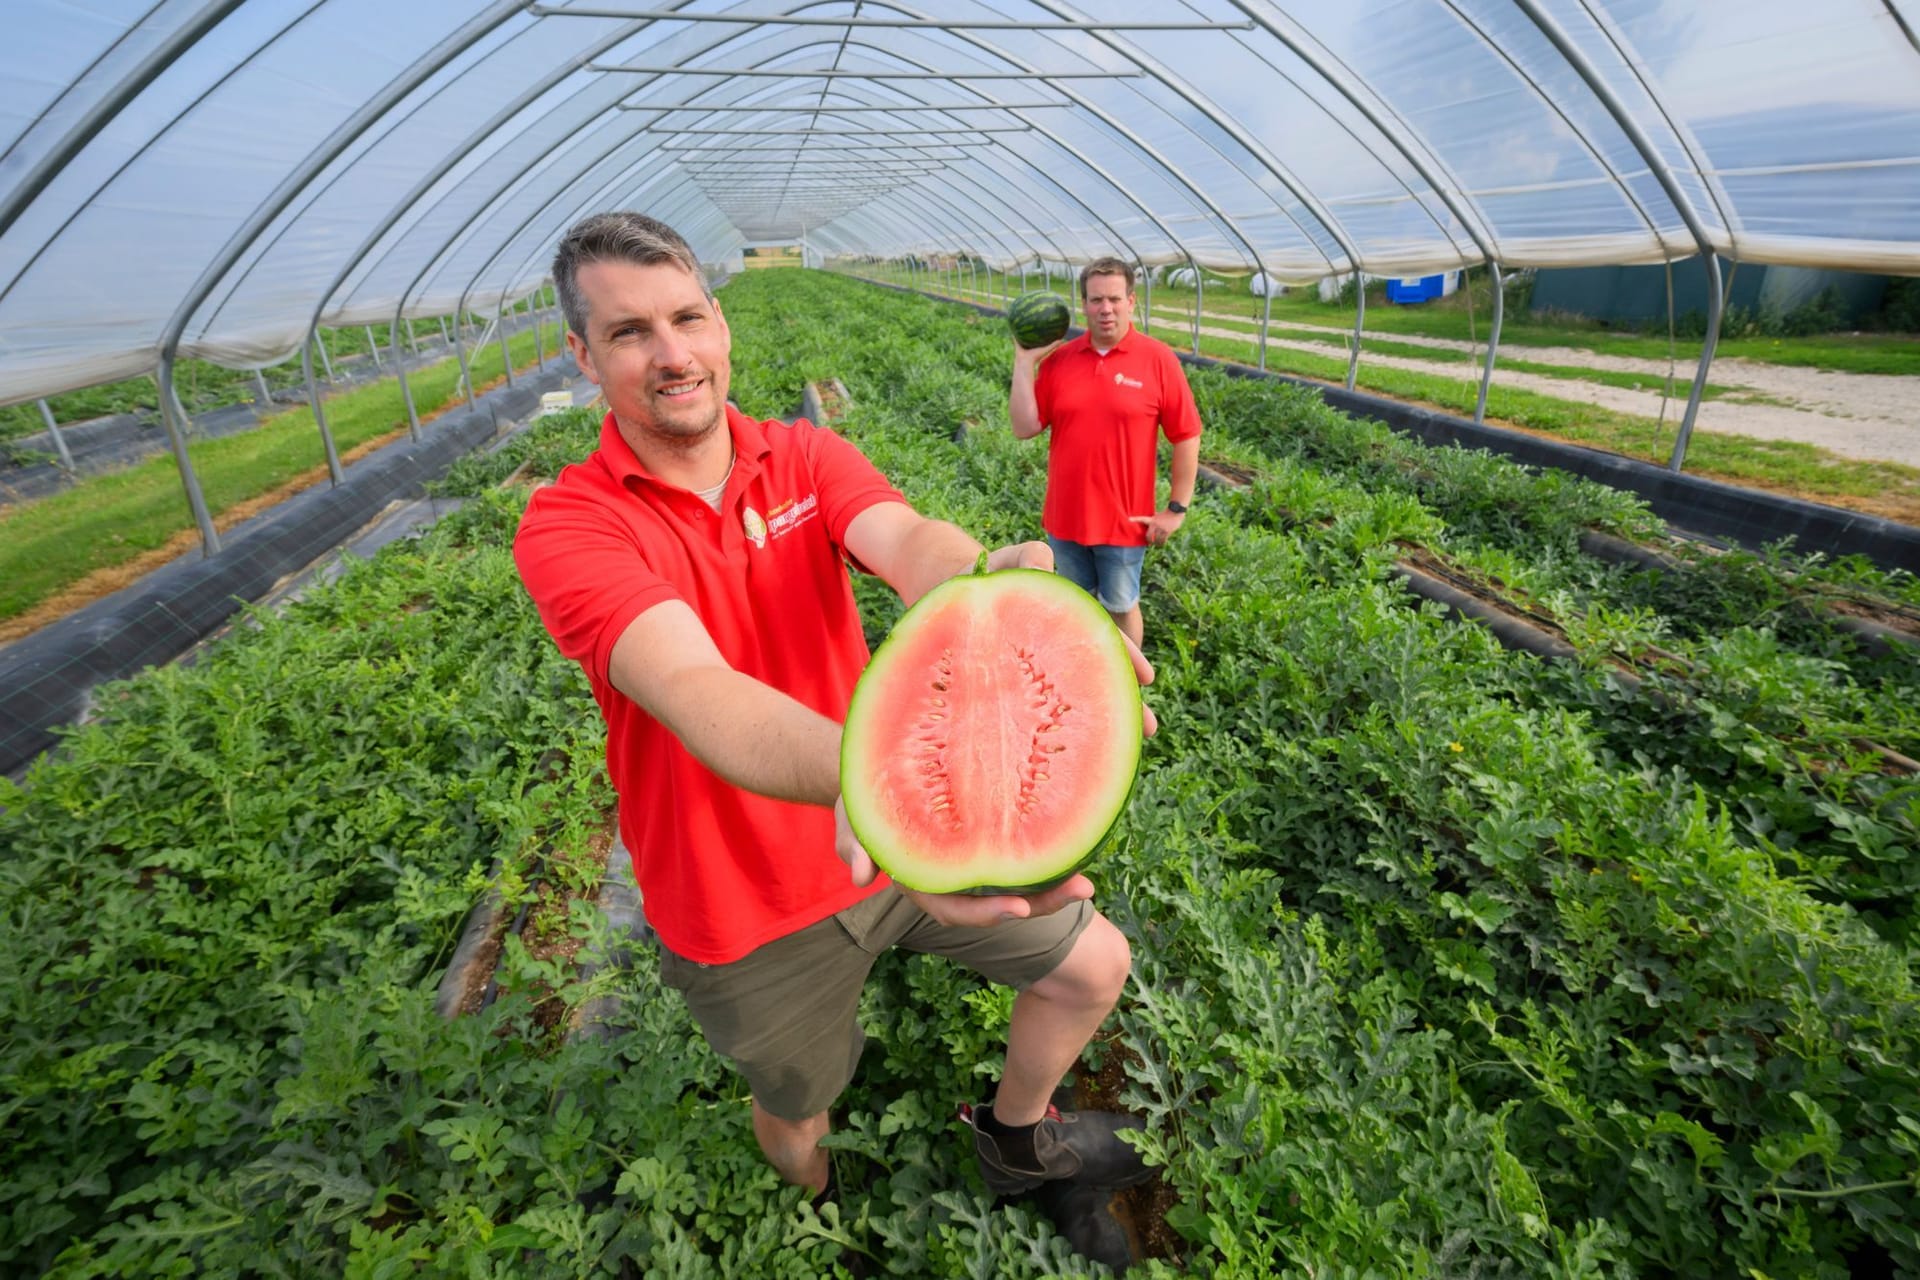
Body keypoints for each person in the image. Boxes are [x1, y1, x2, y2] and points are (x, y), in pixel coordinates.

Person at [511, 212, 1158, 1263]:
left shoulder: (802, 454)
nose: (671, 353)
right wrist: (891, 793)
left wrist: (992, 592)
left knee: (1093, 963)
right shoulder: (570, 525)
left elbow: (906, 538)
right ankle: (819, 1205)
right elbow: (694, 685)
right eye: (629, 332)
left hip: (899, 841)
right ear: (581, 356)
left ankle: (1012, 1136)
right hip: (744, 903)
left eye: (685, 317)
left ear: (721, 324)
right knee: (800, 1106)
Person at [1008, 258, 1204, 648]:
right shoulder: (1060, 360)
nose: (1106, 308)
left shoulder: (1157, 359)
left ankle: (1130, 687)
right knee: (1073, 609)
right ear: (1084, 304)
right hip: (1065, 518)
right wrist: (1024, 361)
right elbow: (1024, 427)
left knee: (1120, 607)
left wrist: (1176, 509)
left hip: (1124, 522)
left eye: (1114, 298)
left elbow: (1187, 435)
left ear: (1131, 301)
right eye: (1096, 299)